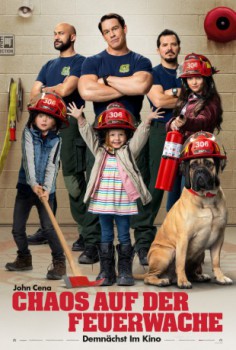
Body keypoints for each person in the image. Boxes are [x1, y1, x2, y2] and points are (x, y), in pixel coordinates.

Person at [78, 13, 153, 265]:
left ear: (124, 28)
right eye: (107, 31)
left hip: (131, 135)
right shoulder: (93, 61)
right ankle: (92, 245)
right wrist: (126, 84)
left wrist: (107, 80)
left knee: (137, 188)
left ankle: (142, 246)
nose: (112, 34)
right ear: (103, 35)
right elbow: (87, 90)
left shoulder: (140, 60)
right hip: (102, 136)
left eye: (115, 28)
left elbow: (141, 87)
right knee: (97, 186)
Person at [67, 101, 164, 286]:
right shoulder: (100, 151)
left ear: (126, 135)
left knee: (124, 234)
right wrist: (80, 118)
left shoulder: (128, 151)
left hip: (123, 201)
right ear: (106, 136)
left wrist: (147, 122)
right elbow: (88, 136)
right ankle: (106, 271)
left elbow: (140, 138)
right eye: (113, 135)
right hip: (103, 201)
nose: (117, 138)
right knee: (105, 234)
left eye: (121, 134)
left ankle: (125, 271)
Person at [28, 22, 101, 264]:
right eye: (55, 33)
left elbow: (67, 88)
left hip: (69, 129)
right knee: (43, 182)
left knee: (74, 184)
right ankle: (46, 228)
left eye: (61, 33)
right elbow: (33, 94)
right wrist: (51, 91)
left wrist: (47, 93)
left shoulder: (82, 62)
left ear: (73, 36)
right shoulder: (49, 65)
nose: (56, 36)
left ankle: (90, 236)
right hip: (45, 131)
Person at [130, 29, 182, 265]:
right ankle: (142, 242)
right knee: (156, 186)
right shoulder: (153, 73)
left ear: (178, 47)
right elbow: (159, 101)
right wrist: (182, 95)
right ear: (158, 49)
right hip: (162, 132)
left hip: (187, 132)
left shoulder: (186, 72)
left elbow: (200, 97)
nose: (169, 48)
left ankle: (177, 241)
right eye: (164, 45)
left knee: (184, 188)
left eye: (173, 44)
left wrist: (172, 93)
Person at [5, 93, 68, 280]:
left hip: (47, 193)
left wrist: (47, 188)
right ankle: (24, 258)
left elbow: (52, 166)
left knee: (49, 229)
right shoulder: (27, 133)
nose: (44, 119)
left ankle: (59, 263)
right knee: (17, 229)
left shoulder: (56, 140)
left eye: (49, 117)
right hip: (26, 188)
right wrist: (33, 184)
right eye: (41, 115)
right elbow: (28, 160)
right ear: (35, 117)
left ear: (55, 121)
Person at [167, 52, 223, 145]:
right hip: (182, 147)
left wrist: (186, 122)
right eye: (190, 78)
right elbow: (176, 120)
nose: (194, 82)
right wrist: (172, 123)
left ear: (206, 79)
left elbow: (203, 121)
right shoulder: (187, 98)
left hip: (199, 150)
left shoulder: (212, 100)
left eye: (198, 78)